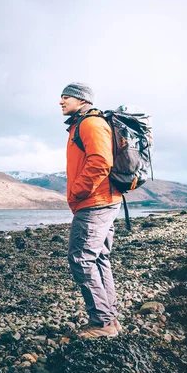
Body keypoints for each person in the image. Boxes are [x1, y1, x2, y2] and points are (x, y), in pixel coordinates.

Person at [60, 82, 123, 338]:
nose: (61, 101)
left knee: (81, 259)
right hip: (102, 200)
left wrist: (77, 192)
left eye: (66, 97)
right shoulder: (82, 123)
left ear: (82, 100)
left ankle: (102, 323)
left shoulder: (90, 123)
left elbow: (100, 162)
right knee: (98, 258)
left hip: (95, 202)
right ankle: (110, 318)